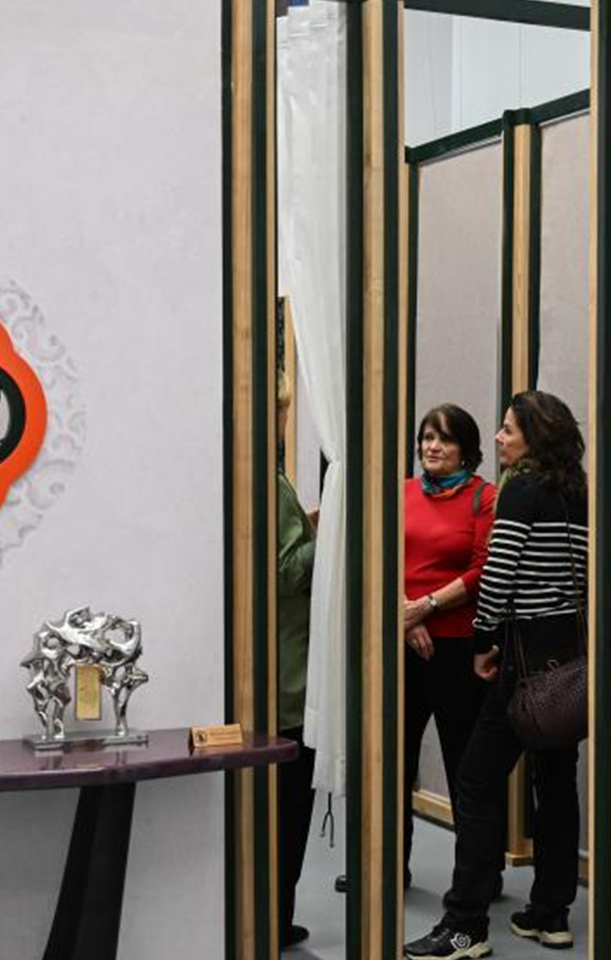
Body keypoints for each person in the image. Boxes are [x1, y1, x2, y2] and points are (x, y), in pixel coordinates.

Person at [404, 390, 588, 959]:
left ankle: (465, 926)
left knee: (475, 782)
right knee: (556, 782)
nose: (500, 438)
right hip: (568, 658)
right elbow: (581, 576)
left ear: (535, 437)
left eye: (509, 429)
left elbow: (499, 576)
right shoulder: (576, 490)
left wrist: (483, 643)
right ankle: (550, 913)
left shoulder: (520, 489)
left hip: (522, 658)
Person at [399, 404, 496, 889]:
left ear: (466, 449)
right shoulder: (401, 493)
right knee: (394, 758)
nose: (432, 447)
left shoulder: (484, 497)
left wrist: (427, 606)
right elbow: (379, 554)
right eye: (426, 437)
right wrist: (404, 614)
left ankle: (477, 878)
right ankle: (387, 865)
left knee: (464, 764)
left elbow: (483, 569)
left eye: (445, 439)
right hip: (402, 644)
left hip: (458, 650)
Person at [275, 382, 317, 949]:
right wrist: (325, 532)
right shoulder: (270, 481)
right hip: (288, 677)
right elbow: (288, 571)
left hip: (274, 670)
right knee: (289, 808)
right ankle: (277, 916)